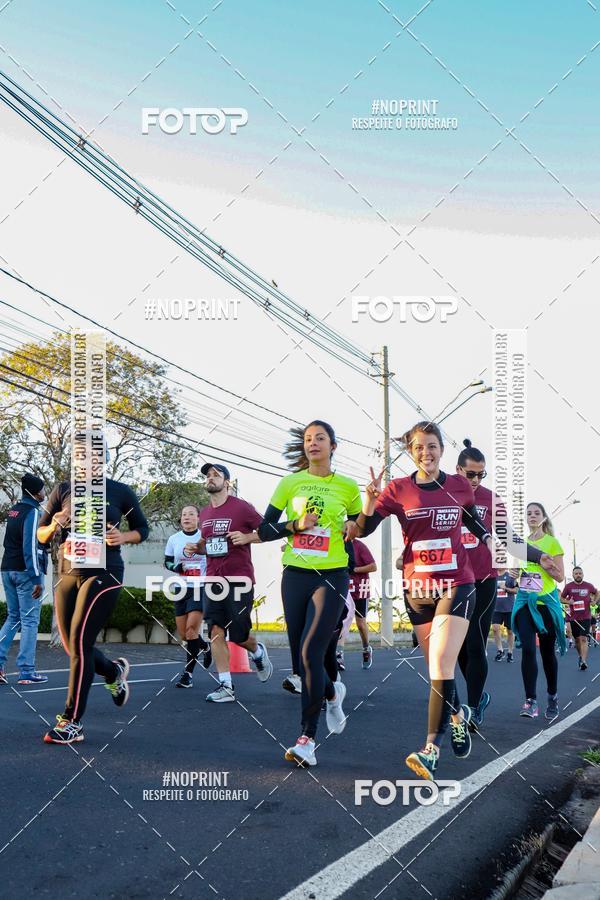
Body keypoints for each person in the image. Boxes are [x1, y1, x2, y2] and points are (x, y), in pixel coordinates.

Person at [357, 421, 555, 780]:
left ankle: (451, 730)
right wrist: (372, 506)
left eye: (482, 474)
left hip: (471, 582)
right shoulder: (411, 489)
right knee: (441, 661)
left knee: (462, 654)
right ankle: (456, 714)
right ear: (459, 469)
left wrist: (535, 554)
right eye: (472, 473)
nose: (477, 480)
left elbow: (499, 534)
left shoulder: (480, 495)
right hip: (420, 588)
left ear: (441, 451)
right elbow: (366, 528)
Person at [257, 420, 362, 767]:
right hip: (295, 574)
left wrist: (354, 525)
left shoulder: (348, 487)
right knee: (303, 662)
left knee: (311, 650)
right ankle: (332, 693)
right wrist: (295, 525)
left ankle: (307, 739)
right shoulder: (289, 483)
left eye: (320, 438)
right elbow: (264, 529)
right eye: (307, 439)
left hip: (331, 574)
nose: (313, 443)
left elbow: (359, 526)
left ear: (334, 445)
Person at [38, 465, 149, 744]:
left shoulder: (119, 491)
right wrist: (57, 522)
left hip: (104, 571)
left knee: (80, 643)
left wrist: (123, 537)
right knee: (72, 646)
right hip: (68, 570)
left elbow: (142, 529)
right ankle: (113, 671)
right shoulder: (64, 489)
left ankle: (72, 721)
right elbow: (41, 535)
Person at [185, 463, 272, 703]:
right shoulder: (204, 513)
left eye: (216, 475)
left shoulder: (242, 508)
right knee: (215, 630)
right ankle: (226, 685)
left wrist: (247, 537)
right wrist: (196, 548)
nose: (211, 478)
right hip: (213, 578)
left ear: (227, 482)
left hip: (239, 579)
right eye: (208, 475)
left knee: (239, 635)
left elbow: (267, 530)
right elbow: (207, 545)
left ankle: (258, 651)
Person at [512, 502, 565, 720]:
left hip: (546, 604)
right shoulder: (521, 544)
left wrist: (546, 566)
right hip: (525, 602)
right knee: (527, 649)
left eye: (536, 513)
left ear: (543, 518)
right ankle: (530, 701)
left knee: (546, 653)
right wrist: (515, 573)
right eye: (529, 513)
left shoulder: (552, 543)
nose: (532, 516)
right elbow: (521, 575)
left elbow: (560, 577)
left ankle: (552, 696)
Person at [0, 474, 48, 685]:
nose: (44, 493)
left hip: (7, 568)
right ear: (35, 492)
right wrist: (36, 577)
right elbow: (29, 547)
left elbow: (8, 542)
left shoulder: (13, 510)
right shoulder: (32, 512)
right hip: (24, 572)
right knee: (29, 620)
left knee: (13, 618)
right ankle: (27, 670)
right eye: (43, 490)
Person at [164, 505, 211, 688]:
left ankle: (188, 674)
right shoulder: (174, 539)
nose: (187, 517)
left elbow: (215, 556)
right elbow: (167, 561)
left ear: (198, 518)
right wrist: (176, 567)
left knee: (192, 630)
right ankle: (205, 647)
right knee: (184, 635)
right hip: (181, 588)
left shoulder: (204, 538)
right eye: (184, 514)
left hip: (200, 587)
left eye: (191, 514)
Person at [337, 539, 377, 670]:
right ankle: (339, 654)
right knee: (342, 621)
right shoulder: (335, 544)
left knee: (360, 623)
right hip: (343, 589)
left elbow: (373, 566)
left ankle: (366, 648)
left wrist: (353, 569)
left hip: (360, 590)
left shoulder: (359, 546)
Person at [561, 566, 598, 671]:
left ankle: (584, 661)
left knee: (583, 638)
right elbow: (561, 598)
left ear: (583, 574)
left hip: (586, 616)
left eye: (580, 573)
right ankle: (580, 656)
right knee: (577, 640)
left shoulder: (588, 586)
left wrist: (594, 601)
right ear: (573, 575)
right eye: (576, 573)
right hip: (574, 618)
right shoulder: (568, 586)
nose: (578, 575)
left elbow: (597, 592)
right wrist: (568, 602)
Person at [492, 569, 518, 662]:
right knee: (495, 629)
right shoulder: (493, 575)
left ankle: (510, 652)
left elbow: (517, 590)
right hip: (495, 608)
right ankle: (500, 650)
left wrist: (506, 588)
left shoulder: (511, 576)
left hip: (509, 608)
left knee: (510, 631)